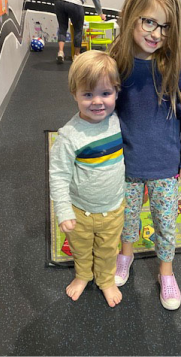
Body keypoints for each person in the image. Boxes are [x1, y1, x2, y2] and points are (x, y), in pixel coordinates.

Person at [109, 0, 181, 311]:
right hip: (126, 164)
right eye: (149, 21)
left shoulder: (175, 64)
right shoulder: (117, 61)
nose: (156, 33)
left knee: (166, 223)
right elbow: (103, 108)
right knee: (127, 219)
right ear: (130, 14)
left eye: (165, 26)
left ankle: (166, 272)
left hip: (165, 166)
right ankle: (125, 256)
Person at [49, 51, 125, 307]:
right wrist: (63, 210)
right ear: (74, 94)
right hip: (80, 211)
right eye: (87, 94)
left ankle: (105, 279)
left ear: (116, 92)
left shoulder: (118, 121)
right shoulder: (69, 136)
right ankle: (83, 274)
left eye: (105, 93)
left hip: (113, 208)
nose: (97, 102)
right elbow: (58, 175)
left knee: (108, 250)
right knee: (81, 249)